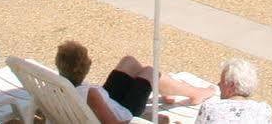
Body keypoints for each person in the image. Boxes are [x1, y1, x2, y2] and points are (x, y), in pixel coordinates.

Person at [54, 41, 212, 124]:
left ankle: (165, 90)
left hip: (108, 101)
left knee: (128, 61)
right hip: (125, 111)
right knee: (150, 72)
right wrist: (145, 119)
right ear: (85, 67)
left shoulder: (56, 84)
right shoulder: (91, 94)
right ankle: (196, 93)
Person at [193, 60, 272, 124]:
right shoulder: (264, 110)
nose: (219, 84)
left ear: (231, 85)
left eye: (222, 81)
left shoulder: (210, 107)